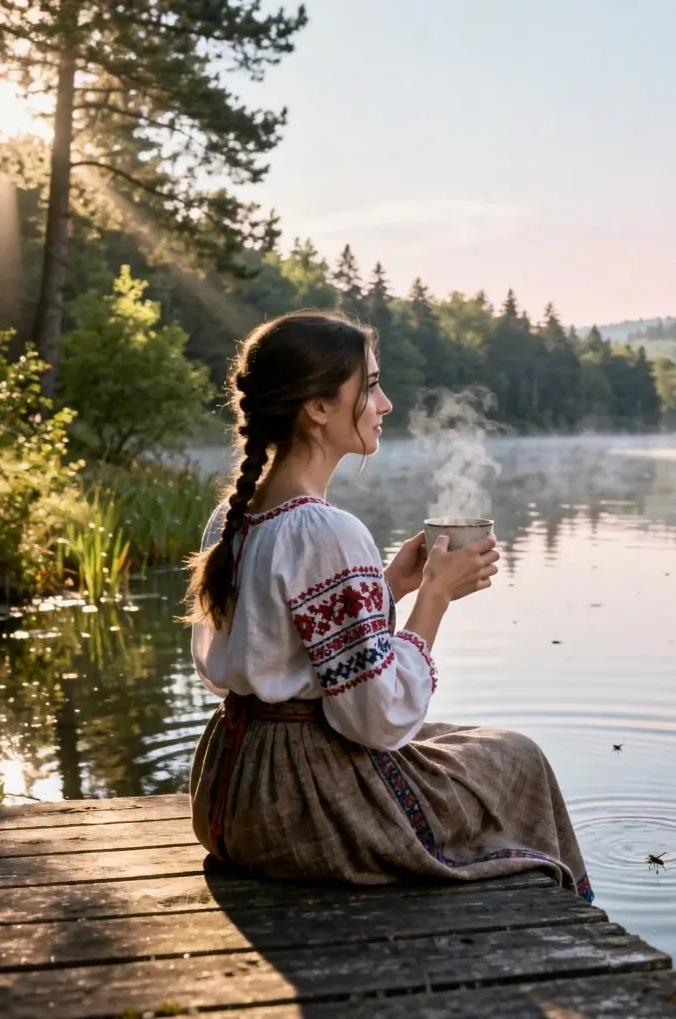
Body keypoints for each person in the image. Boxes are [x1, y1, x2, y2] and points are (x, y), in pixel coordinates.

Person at [185, 310, 592, 900]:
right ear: (318, 407)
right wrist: (435, 597)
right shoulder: (326, 531)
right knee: (518, 758)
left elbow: (276, 652)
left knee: (469, 741)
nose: (387, 403)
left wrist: (386, 586)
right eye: (371, 386)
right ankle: (565, 922)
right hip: (303, 808)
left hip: (231, 790)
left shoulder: (233, 517)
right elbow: (378, 717)